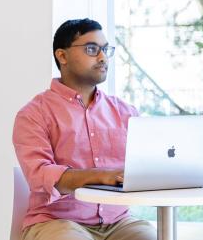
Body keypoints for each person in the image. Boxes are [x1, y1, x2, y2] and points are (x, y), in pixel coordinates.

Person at [12, 18, 156, 240]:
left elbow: (146, 165)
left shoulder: (127, 113)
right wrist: (101, 176)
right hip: (57, 222)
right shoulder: (33, 114)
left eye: (106, 50)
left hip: (119, 222)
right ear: (62, 56)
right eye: (92, 49)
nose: (102, 57)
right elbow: (40, 175)